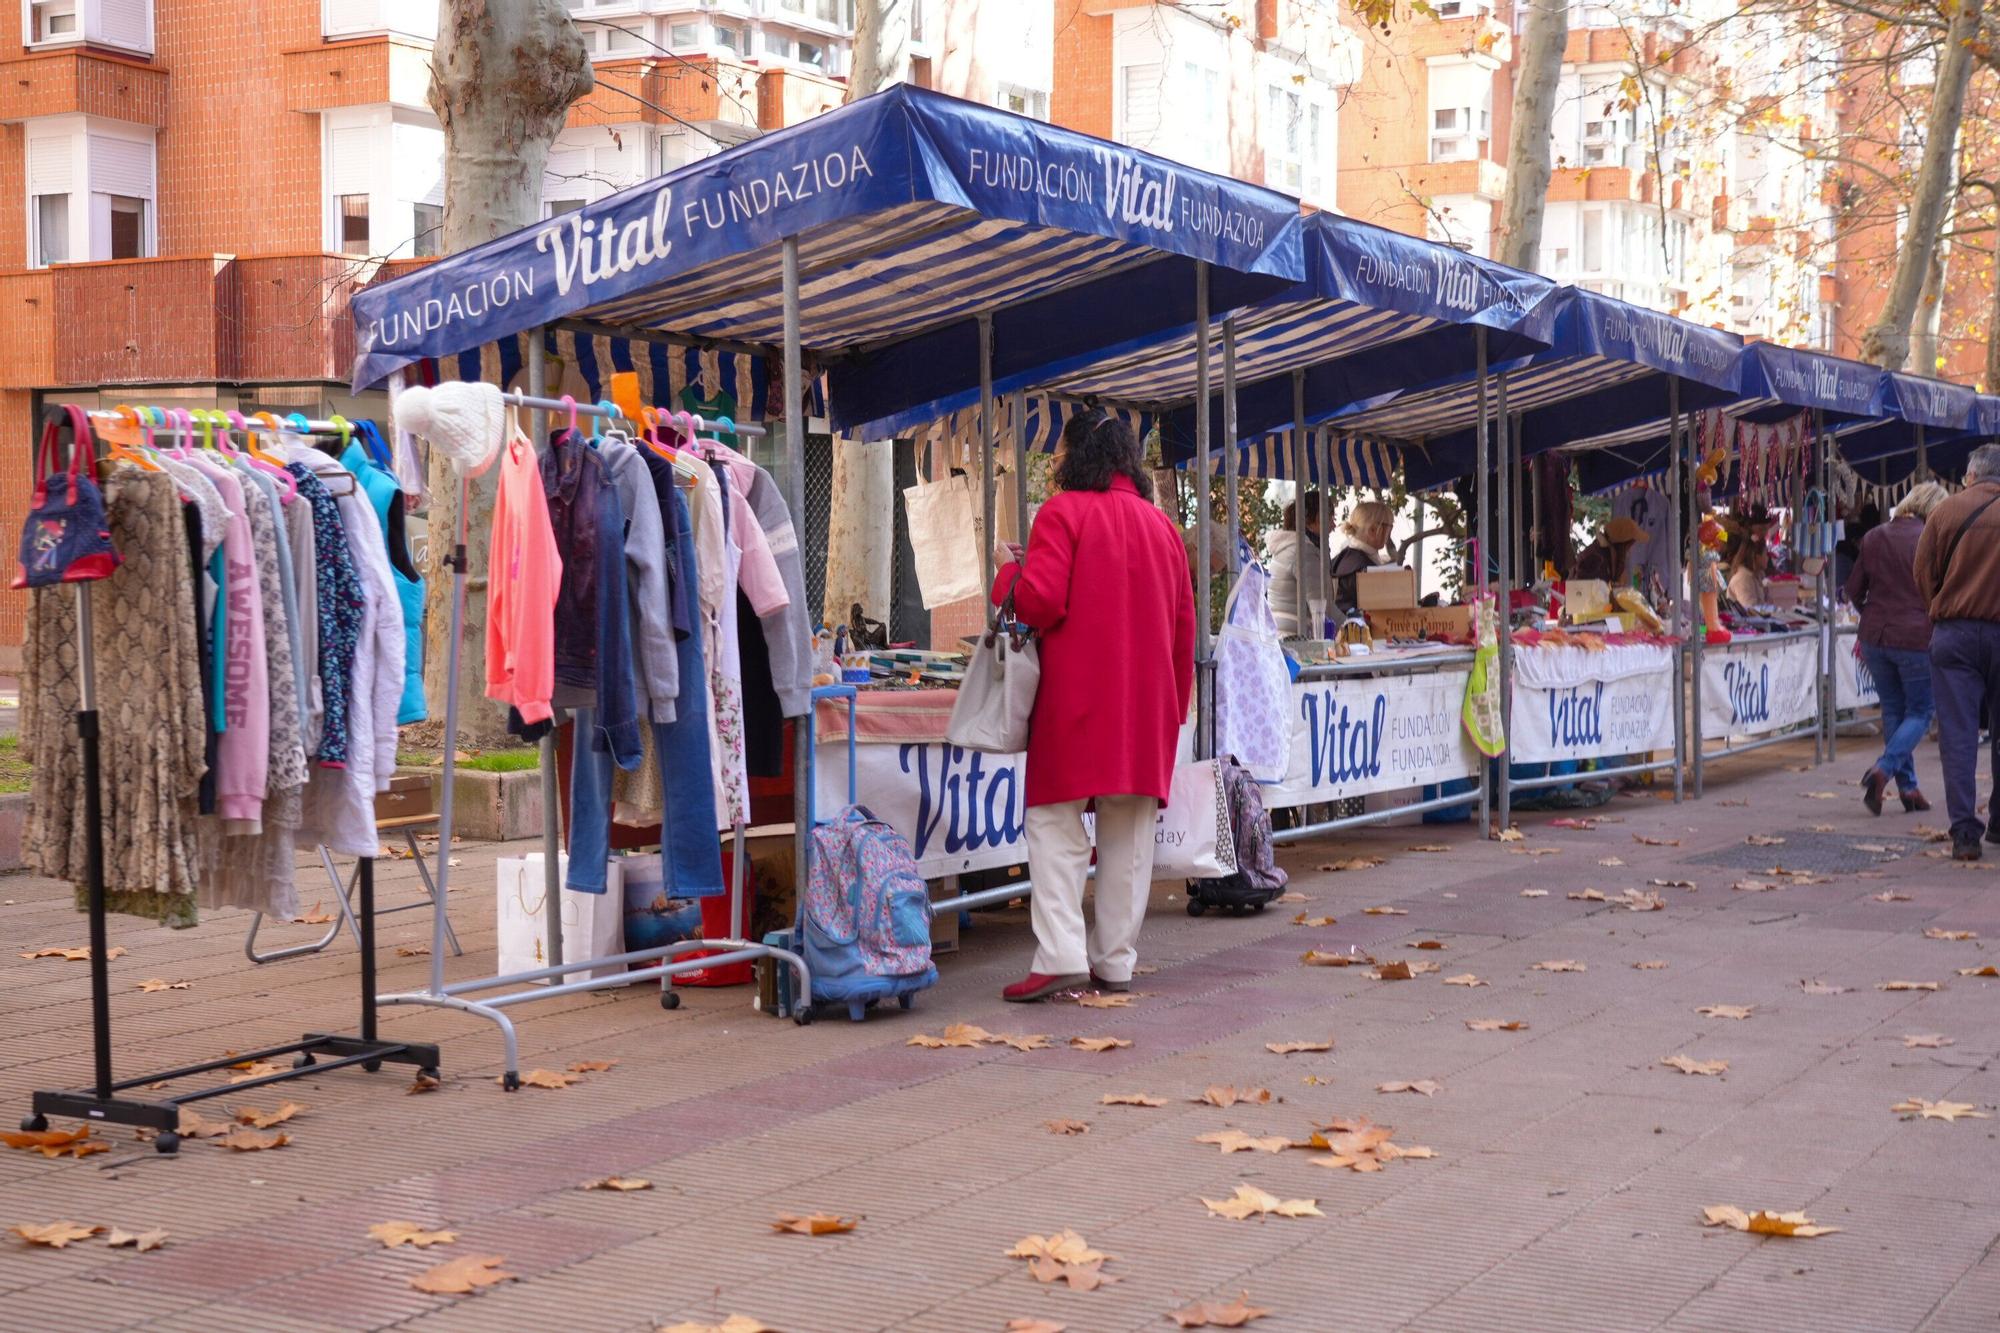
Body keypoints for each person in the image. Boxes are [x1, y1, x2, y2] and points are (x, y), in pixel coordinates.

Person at [991, 414, 1196, 1000]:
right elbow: (1185, 631)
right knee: (1129, 831)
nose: (1054, 461)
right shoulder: (1164, 530)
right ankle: (1115, 960)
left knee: (1054, 822)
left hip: (1077, 698)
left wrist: (1009, 571)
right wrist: (1175, 710)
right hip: (1147, 704)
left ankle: (1059, 952)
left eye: (1059, 451)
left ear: (1079, 454)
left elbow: (1041, 601)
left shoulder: (1063, 513)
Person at [1916, 444, 2000, 861]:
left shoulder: (1945, 512)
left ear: (1971, 475)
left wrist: (1943, 608)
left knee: (1959, 734)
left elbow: (1923, 574)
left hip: (1954, 633)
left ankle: (1965, 832)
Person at [1846, 482, 1947, 816]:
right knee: (1920, 712)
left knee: (1893, 711)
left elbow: (1853, 588)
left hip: (1875, 636)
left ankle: (1909, 789)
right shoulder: (1931, 539)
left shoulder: (1875, 536)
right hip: (1917, 636)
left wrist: (1872, 613)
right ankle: (1882, 770)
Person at [1266, 491, 1325, 636]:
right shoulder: (1304, 552)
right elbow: (1320, 606)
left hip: (1279, 631)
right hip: (1296, 636)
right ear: (1316, 520)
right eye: (1331, 517)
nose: (1334, 525)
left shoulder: (1287, 546)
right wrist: (1352, 625)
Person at [1327, 499, 1398, 617]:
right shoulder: (1363, 567)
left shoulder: (1342, 558)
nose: (1390, 534)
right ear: (1373, 530)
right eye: (1389, 528)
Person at [1574, 516, 1641, 583]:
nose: (1631, 549)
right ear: (1623, 544)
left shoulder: (1608, 554)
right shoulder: (1597, 558)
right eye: (1630, 545)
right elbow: (1583, 588)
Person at [1724, 533, 1770, 609]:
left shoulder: (1759, 574)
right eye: (1765, 554)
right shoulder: (1743, 579)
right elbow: (1750, 610)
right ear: (1757, 557)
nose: (1768, 558)